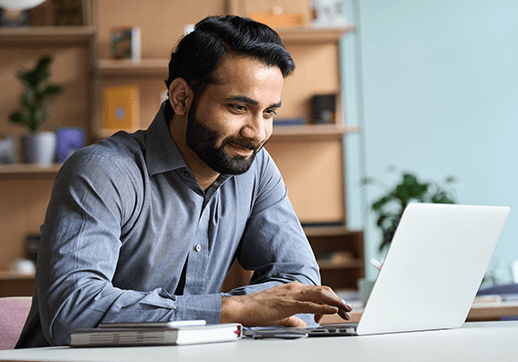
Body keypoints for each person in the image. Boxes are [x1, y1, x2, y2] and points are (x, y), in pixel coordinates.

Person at [16, 15, 352, 348]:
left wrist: (247, 311)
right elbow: (72, 312)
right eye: (238, 107)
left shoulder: (255, 168)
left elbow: (300, 282)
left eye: (268, 113)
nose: (257, 133)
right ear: (181, 98)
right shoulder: (102, 172)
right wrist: (234, 309)